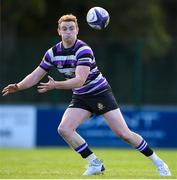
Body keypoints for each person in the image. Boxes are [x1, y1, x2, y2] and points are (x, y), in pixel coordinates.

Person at [2, 14, 171, 177]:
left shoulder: (83, 50)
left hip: (100, 93)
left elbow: (79, 80)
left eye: (71, 28)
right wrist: (18, 86)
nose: (68, 31)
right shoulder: (52, 53)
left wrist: (56, 85)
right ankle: (95, 163)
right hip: (81, 97)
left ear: (77, 31)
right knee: (64, 129)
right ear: (59, 31)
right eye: (64, 28)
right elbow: (36, 75)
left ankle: (159, 163)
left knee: (124, 134)